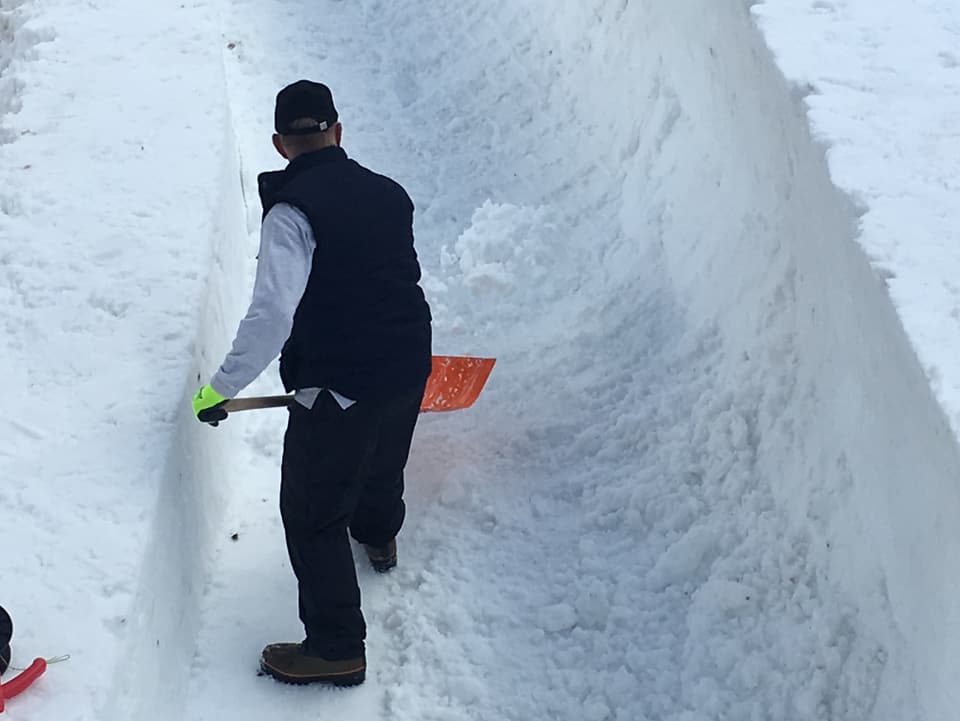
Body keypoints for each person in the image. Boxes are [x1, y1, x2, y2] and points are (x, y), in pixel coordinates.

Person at [190, 80, 432, 687]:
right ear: (338, 132)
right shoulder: (389, 194)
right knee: (382, 459)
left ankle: (335, 645)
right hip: (408, 361)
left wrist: (220, 387)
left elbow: (272, 314)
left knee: (312, 512)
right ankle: (379, 538)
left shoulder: (292, 212)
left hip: (339, 384)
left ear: (278, 144)